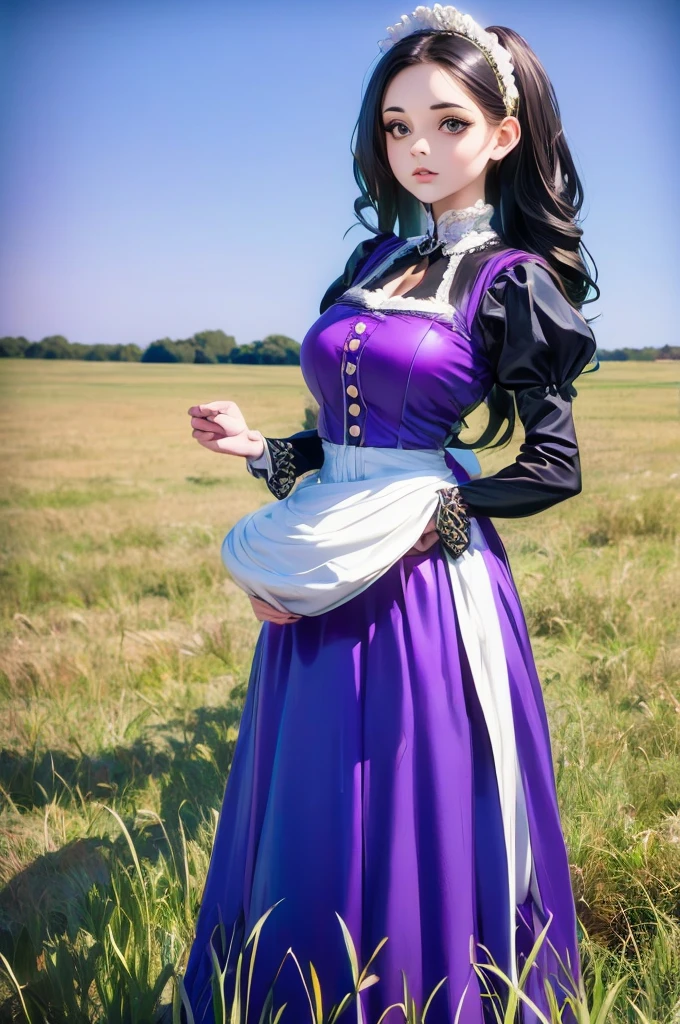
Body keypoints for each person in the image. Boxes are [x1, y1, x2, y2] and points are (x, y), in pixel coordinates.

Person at [180, 5, 600, 1022]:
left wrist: (429, 519)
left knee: (410, 787)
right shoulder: (369, 264)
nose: (418, 146)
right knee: (311, 798)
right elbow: (342, 431)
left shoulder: (514, 281)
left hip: (421, 582)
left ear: (502, 134)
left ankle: (426, 993)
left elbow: (549, 464)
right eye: (397, 124)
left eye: (448, 123)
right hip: (327, 571)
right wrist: (263, 449)